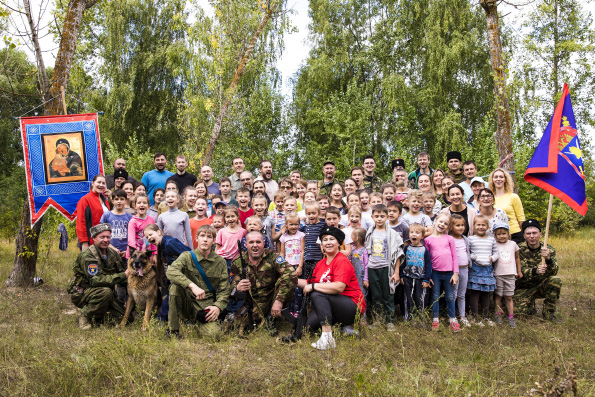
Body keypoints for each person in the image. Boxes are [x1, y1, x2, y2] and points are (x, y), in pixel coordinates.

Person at [300, 226, 366, 349]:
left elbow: (339, 287)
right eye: (325, 240)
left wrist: (313, 286)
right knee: (309, 327)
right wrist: (291, 279)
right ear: (321, 244)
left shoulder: (342, 261)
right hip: (334, 304)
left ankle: (327, 338)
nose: (328, 242)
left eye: (332, 239)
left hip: (352, 305)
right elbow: (308, 283)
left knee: (316, 293)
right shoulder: (320, 264)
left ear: (339, 243)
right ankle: (343, 329)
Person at [166, 225, 230, 339]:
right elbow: (171, 271)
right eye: (202, 236)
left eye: (209, 237)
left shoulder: (220, 262)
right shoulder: (187, 256)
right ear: (196, 238)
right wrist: (191, 285)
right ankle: (173, 331)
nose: (205, 239)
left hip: (205, 305)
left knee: (213, 335)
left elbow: (224, 290)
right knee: (174, 287)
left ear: (214, 241)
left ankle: (197, 324)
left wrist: (217, 307)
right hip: (186, 301)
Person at [230, 231, 297, 334]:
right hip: (252, 303)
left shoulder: (273, 257)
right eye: (251, 242)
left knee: (287, 279)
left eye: (258, 242)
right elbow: (231, 289)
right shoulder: (238, 262)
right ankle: (263, 319)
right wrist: (237, 288)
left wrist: (279, 301)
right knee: (237, 325)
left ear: (263, 243)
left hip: (271, 299)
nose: (255, 245)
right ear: (246, 244)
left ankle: (273, 317)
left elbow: (290, 274)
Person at [68, 223, 127, 329]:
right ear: (94, 238)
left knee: (124, 318)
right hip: (85, 292)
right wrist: (123, 275)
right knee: (106, 292)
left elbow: (123, 276)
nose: (105, 240)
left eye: (108, 237)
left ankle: (99, 315)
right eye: (102, 237)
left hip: (104, 293)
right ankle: (85, 315)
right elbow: (95, 280)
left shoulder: (112, 254)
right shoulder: (88, 255)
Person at [364, 204, 404, 331]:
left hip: (386, 268)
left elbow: (397, 254)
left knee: (388, 295)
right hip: (372, 267)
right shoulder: (370, 232)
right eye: (377, 216)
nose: (379, 219)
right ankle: (377, 320)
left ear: (387, 217)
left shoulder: (392, 234)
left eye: (382, 216)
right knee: (376, 296)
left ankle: (389, 321)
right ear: (372, 217)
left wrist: (396, 272)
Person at [143, 224, 192, 323]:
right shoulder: (161, 246)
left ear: (158, 232)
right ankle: (166, 319)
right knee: (171, 298)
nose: (149, 238)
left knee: (170, 299)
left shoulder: (169, 243)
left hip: (185, 275)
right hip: (176, 277)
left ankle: (163, 319)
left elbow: (189, 254)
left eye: (150, 234)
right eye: (147, 237)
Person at [515, 219, 561, 321]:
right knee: (519, 314)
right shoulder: (518, 249)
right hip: (523, 287)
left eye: (534, 233)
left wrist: (548, 259)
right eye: (528, 233)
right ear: (524, 236)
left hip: (541, 284)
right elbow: (518, 270)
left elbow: (554, 271)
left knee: (555, 280)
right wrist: (535, 271)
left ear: (540, 234)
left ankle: (549, 313)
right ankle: (530, 305)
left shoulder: (548, 249)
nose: (532, 236)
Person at [424, 213, 460, 332]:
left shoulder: (449, 239)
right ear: (435, 222)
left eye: (445, 224)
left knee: (450, 297)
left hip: (449, 273)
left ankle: (453, 320)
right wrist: (428, 276)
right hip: (435, 273)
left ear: (448, 227)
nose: (442, 225)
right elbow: (427, 260)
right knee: (435, 296)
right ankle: (435, 320)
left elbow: (455, 257)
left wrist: (455, 273)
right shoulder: (428, 240)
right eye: (440, 222)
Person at [467, 215, 498, 326]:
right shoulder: (470, 239)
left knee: (486, 293)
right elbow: (467, 253)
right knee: (475, 292)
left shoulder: (491, 239)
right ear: (474, 226)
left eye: (483, 225)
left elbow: (495, 252)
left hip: (487, 268)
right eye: (478, 225)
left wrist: (492, 258)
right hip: (476, 268)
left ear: (487, 227)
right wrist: (473, 257)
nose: (481, 227)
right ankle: (475, 316)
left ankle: (486, 317)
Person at [399, 223, 431, 321]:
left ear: (422, 236)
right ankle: (407, 316)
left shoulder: (424, 250)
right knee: (408, 297)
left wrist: (426, 279)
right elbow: (403, 263)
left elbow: (428, 265)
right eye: (412, 232)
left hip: (420, 279)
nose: (414, 235)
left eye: (417, 233)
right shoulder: (407, 248)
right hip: (408, 277)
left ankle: (419, 317)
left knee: (420, 298)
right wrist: (401, 276)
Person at [493, 222, 522, 327]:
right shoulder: (494, 244)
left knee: (509, 296)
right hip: (498, 274)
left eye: (504, 233)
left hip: (510, 274)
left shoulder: (513, 244)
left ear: (508, 234)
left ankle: (511, 316)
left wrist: (519, 271)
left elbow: (517, 258)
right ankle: (498, 314)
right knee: (498, 296)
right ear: (495, 235)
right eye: (499, 234)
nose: (501, 236)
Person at [489, 168, 526, 243]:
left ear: (505, 179)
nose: (498, 179)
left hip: (514, 234)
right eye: (496, 177)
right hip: (497, 235)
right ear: (492, 180)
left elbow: (521, 218)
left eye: (501, 177)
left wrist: (522, 234)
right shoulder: (489, 198)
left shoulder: (513, 197)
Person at [279, 212, 305, 316]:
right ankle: (290, 310)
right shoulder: (283, 237)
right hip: (288, 266)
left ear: (299, 225)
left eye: (296, 224)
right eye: (291, 224)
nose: (293, 227)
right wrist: (282, 267)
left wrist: (300, 266)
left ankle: (298, 310)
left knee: (298, 289)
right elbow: (282, 253)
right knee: (289, 288)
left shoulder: (301, 235)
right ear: (286, 225)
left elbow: (302, 251)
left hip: (297, 266)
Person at [76, 174, 110, 251]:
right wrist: (84, 243)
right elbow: (80, 223)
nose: (101, 185)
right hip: (90, 242)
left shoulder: (105, 201)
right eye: (99, 182)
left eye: (103, 183)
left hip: (104, 241)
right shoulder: (85, 200)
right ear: (93, 183)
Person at [449, 214, 472, 327]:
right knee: (453, 294)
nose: (461, 227)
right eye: (457, 225)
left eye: (463, 225)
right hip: (454, 271)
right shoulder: (449, 239)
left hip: (465, 269)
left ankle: (462, 316)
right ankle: (452, 316)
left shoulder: (465, 239)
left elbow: (467, 252)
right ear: (451, 226)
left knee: (462, 294)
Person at [100, 189, 132, 257]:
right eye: (116, 199)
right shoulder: (106, 216)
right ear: (112, 201)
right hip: (109, 251)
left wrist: (128, 251)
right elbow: (101, 234)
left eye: (122, 199)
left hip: (125, 252)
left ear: (126, 201)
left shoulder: (130, 217)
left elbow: (132, 236)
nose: (119, 202)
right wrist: (112, 248)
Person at [348, 227, 368, 298]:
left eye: (352, 235)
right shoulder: (353, 250)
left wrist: (366, 279)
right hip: (354, 275)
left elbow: (366, 266)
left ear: (357, 238)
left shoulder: (364, 251)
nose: (351, 236)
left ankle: (362, 308)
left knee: (362, 293)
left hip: (361, 277)